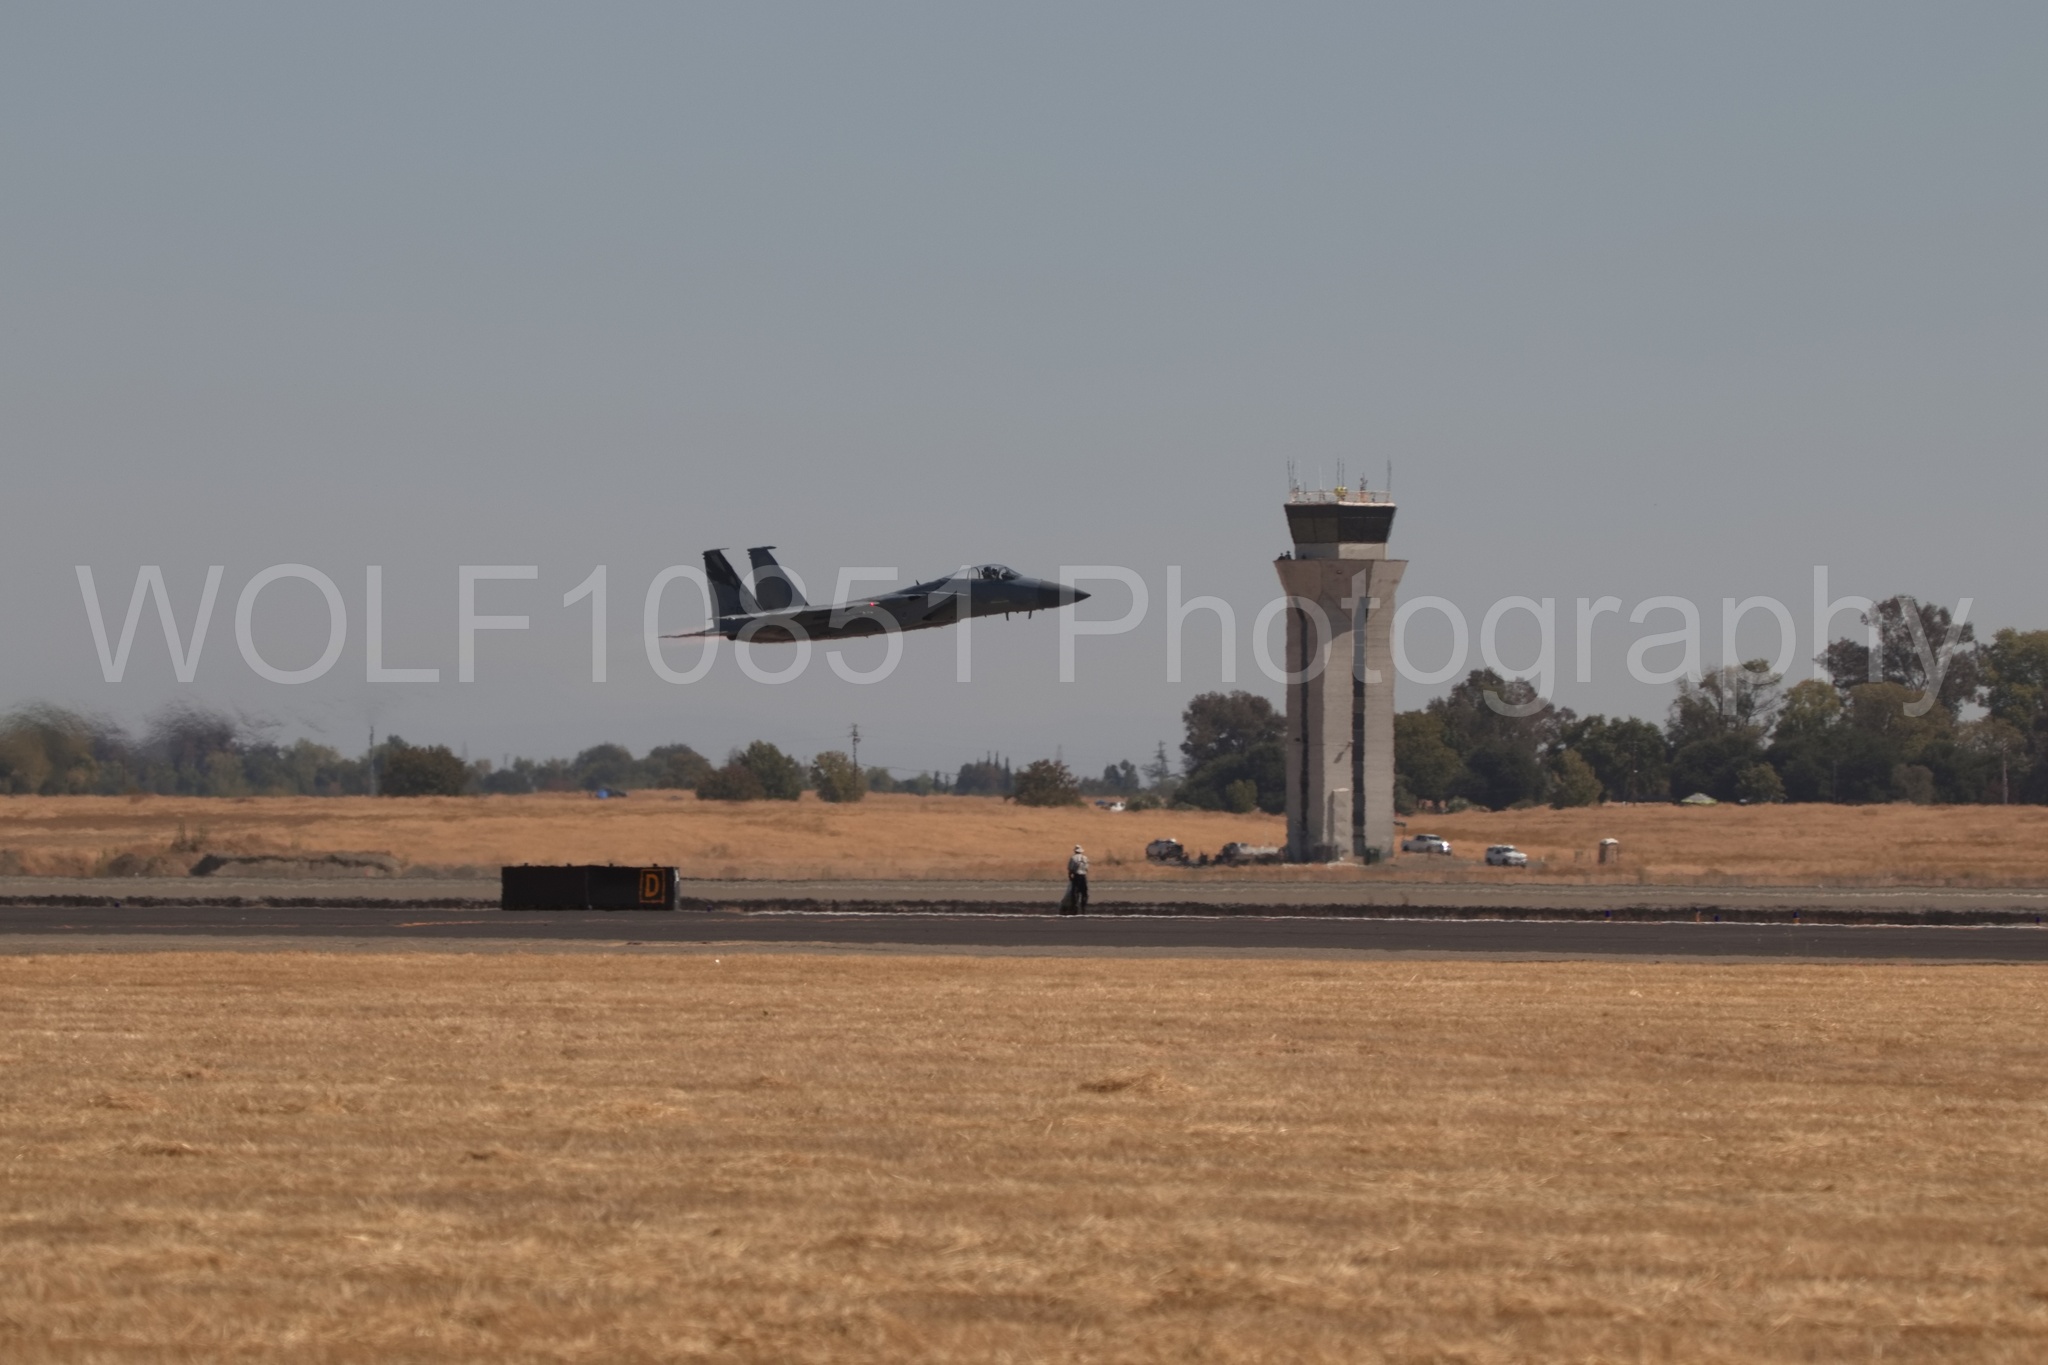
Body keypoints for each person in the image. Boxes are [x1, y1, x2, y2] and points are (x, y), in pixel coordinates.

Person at [1065, 844, 1089, 914]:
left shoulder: (1073, 858)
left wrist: (1070, 876)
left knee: (1075, 892)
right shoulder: (1085, 858)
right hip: (1083, 876)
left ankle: (1075, 907)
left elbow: (1070, 868)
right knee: (1084, 892)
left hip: (1076, 876)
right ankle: (1083, 907)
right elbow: (1087, 868)